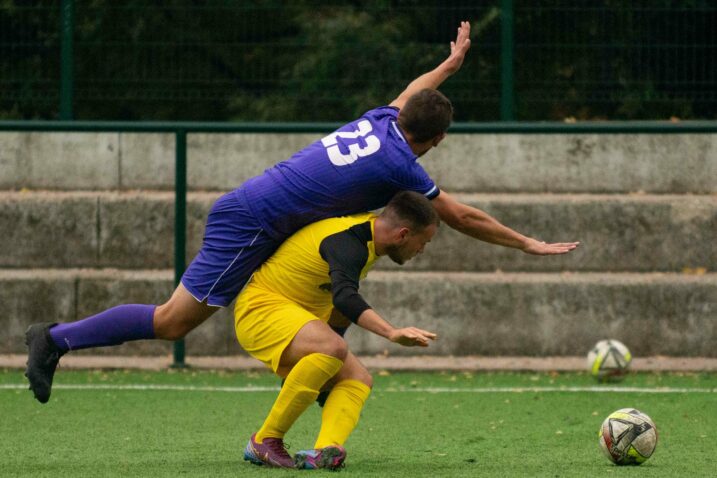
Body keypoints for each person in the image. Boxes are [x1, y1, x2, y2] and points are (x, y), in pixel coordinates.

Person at [24, 21, 579, 404]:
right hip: (253, 222)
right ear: (432, 142)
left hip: (266, 215)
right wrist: (527, 243)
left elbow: (414, 91)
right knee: (174, 322)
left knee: (325, 305)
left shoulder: (381, 119)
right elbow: (461, 217)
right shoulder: (401, 164)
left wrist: (449, 65)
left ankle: (317, 393)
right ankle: (55, 339)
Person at [239, 191, 440, 469]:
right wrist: (392, 333)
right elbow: (344, 297)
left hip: (294, 320)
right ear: (403, 234)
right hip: (259, 311)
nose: (422, 250)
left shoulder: (369, 239)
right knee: (332, 348)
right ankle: (265, 439)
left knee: (358, 378)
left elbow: (341, 308)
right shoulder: (348, 242)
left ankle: (326, 450)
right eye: (424, 242)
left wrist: (324, 365)